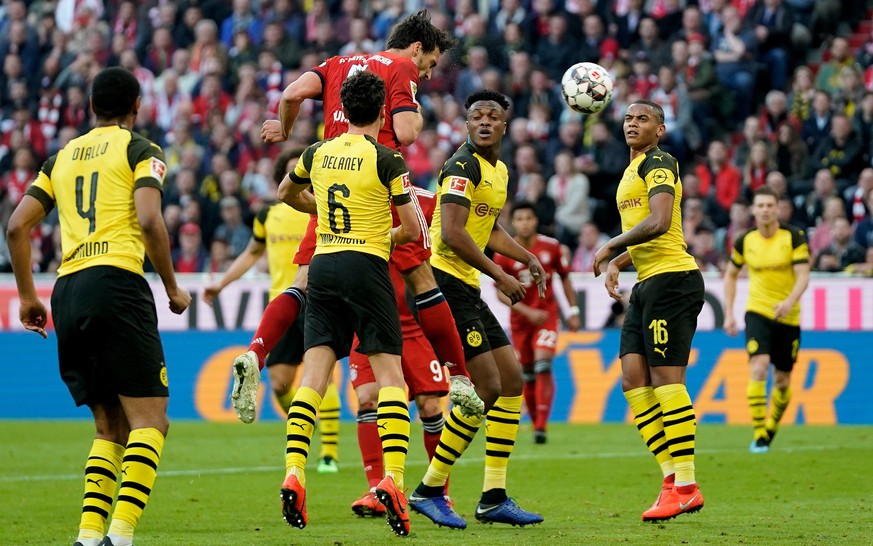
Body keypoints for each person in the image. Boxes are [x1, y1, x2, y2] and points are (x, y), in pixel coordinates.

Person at [232, 9, 484, 425]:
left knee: (304, 280)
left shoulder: (337, 63)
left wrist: (283, 129)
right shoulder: (401, 66)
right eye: (431, 62)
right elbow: (405, 132)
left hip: (330, 180)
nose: (428, 71)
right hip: (378, 183)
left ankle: (255, 352)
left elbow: (292, 94)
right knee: (421, 278)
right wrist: (417, 111)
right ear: (418, 47)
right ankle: (458, 378)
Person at [5, 67, 191, 546]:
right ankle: (121, 537)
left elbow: (15, 228)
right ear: (136, 107)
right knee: (152, 421)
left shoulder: (59, 158)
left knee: (110, 426)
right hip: (117, 283)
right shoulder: (140, 150)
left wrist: (29, 296)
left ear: (91, 108)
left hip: (68, 290)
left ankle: (89, 538)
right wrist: (171, 286)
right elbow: (149, 219)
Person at [274, 71, 420, 537]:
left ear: (340, 107)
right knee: (391, 376)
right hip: (365, 266)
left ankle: (294, 470)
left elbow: (284, 193)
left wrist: (321, 213)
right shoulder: (387, 158)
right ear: (382, 113)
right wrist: (381, 234)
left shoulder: (316, 153)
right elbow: (413, 230)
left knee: (314, 375)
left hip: (324, 264)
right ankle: (393, 481)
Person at [407, 89, 546, 529]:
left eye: (493, 116)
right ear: (467, 126)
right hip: (445, 284)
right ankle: (430, 488)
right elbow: (451, 233)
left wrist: (524, 257)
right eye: (476, 117)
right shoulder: (461, 165)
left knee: (511, 382)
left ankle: (493, 496)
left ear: (505, 125)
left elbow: (485, 227)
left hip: (466, 286)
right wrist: (499, 275)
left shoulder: (499, 170)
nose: (484, 122)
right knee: (484, 387)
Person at [593, 99, 705, 522]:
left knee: (665, 381)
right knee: (633, 379)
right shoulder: (629, 170)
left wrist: (611, 246)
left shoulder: (660, 162)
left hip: (673, 280)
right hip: (648, 282)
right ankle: (671, 479)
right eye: (628, 118)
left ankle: (687, 485)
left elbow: (659, 223)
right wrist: (619, 265)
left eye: (643, 118)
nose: (632, 123)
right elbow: (646, 239)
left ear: (660, 129)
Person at [202, 147, 341, 472]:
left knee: (323, 377)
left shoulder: (325, 208)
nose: (301, 180)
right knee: (279, 385)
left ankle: (329, 455)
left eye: (305, 174)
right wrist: (221, 284)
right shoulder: (268, 215)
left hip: (318, 300)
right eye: (294, 173)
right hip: (283, 306)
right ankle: (307, 422)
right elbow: (251, 254)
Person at [724, 186, 811, 453]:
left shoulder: (794, 236)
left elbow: (803, 275)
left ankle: (771, 427)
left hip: (788, 315)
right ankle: (760, 434)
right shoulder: (745, 240)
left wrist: (789, 302)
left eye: (769, 205)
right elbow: (730, 274)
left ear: (777, 208)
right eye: (759, 205)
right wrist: (728, 313)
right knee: (758, 367)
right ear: (753, 210)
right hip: (758, 311)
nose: (764, 210)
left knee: (783, 381)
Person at [493, 201, 581, 444]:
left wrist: (572, 310)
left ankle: (541, 426)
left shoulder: (551, 247)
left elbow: (565, 279)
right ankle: (535, 423)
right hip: (521, 321)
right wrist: (526, 311)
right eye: (519, 219)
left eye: (528, 218)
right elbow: (500, 292)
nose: (524, 223)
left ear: (535, 221)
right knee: (528, 374)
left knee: (543, 365)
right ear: (513, 222)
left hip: (546, 317)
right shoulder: (503, 252)